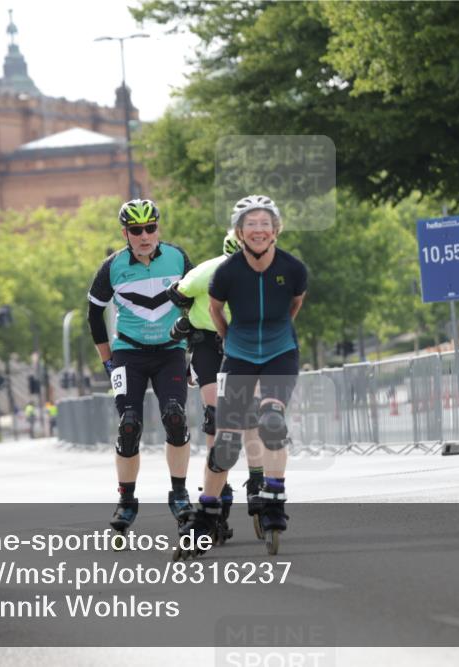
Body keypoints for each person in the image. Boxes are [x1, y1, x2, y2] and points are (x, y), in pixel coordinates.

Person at [176, 195, 307, 558]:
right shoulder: (225, 273)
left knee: (271, 419)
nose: (259, 231)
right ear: (239, 232)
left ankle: (273, 498)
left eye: (265, 224)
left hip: (278, 355)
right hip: (238, 356)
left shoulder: (292, 269)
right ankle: (207, 512)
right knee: (227, 442)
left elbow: (294, 305)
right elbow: (215, 309)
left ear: (276, 230)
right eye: (250, 225)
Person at [86, 198, 195, 537]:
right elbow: (94, 315)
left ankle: (179, 494)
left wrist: (195, 351)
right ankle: (127, 500)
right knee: (129, 424)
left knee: (175, 417)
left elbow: (197, 305)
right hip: (128, 354)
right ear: (126, 233)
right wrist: (107, 360)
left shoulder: (178, 259)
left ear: (158, 228)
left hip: (170, 351)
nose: (145, 236)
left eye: (151, 228)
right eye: (136, 230)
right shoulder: (112, 267)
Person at [165, 230, 252, 539]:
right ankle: (219, 495)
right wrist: (187, 319)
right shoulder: (208, 271)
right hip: (207, 344)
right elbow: (177, 292)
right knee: (216, 418)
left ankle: (248, 481)